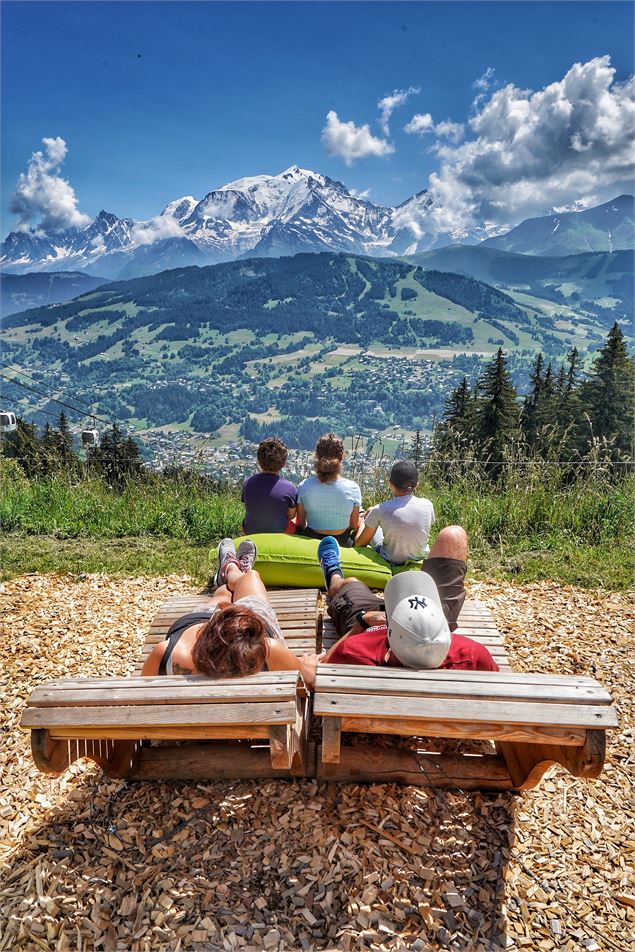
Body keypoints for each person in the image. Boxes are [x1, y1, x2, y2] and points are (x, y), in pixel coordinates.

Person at [142, 539, 320, 687]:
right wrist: (307, 664)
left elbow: (137, 698)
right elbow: (309, 679)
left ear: (216, 617)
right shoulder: (268, 650)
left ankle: (229, 573)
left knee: (222, 593)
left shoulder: (167, 652)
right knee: (252, 577)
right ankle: (237, 573)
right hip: (222, 627)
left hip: (190, 627)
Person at [317, 528, 498, 671]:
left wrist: (362, 622)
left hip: (371, 620)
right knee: (453, 536)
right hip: (428, 621)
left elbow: (324, 667)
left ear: (389, 637)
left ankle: (332, 572)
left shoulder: (357, 652)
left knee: (349, 583)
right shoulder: (473, 656)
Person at [355, 460, 434, 566]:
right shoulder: (427, 505)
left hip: (391, 560)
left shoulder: (379, 510)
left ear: (390, 484)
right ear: (416, 485)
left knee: (368, 524)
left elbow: (360, 543)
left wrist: (364, 521)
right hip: (419, 558)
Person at [296, 433, 362, 547]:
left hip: (311, 540)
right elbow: (353, 525)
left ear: (317, 455)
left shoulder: (304, 486)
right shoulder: (353, 488)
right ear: (342, 456)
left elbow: (301, 524)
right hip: (342, 543)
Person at [241, 437, 297, 534]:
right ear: (283, 464)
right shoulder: (289, 488)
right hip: (280, 532)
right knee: (294, 523)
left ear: (258, 461)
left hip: (250, 530)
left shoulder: (248, 483)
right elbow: (291, 516)